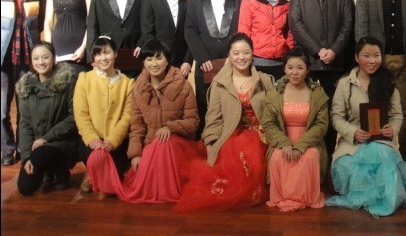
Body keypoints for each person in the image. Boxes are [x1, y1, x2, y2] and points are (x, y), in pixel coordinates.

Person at [87, 39, 200, 203]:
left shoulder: (184, 86)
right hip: (150, 145)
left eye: (159, 58)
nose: (154, 64)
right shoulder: (138, 88)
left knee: (164, 143)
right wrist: (136, 154)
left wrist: (170, 127)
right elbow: (137, 126)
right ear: (143, 62)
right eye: (149, 59)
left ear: (167, 60)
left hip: (178, 147)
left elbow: (193, 122)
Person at [175, 33, 274, 212]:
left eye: (246, 52)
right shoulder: (220, 83)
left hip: (261, 134)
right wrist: (211, 143)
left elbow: (274, 114)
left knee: (251, 156)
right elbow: (213, 118)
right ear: (229, 55)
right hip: (231, 132)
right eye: (236, 53)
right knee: (229, 156)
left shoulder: (265, 80)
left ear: (252, 53)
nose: (241, 57)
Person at [325, 37, 406, 217]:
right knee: (349, 164)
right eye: (366, 56)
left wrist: (392, 129)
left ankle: (381, 200)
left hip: (381, 140)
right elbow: (336, 117)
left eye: (376, 55)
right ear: (356, 57)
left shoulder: (388, 82)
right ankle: (365, 199)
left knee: (382, 157)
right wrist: (353, 132)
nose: (372, 61)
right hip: (353, 142)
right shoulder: (345, 84)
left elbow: (396, 115)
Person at [289, 0, 353, 156]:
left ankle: (329, 162)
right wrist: (318, 50)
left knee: (332, 113)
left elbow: (347, 24)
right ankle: (310, 159)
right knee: (308, 115)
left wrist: (333, 50)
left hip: (335, 65)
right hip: (309, 64)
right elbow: (296, 24)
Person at [355, 0, 406, 160]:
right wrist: (366, 61)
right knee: (378, 109)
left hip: (405, 61)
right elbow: (361, 28)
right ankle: (382, 154)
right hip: (377, 63)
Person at [184, 0, 246, 137]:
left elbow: (244, 31)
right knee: (205, 108)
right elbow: (189, 30)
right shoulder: (194, 1)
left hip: (234, 64)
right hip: (206, 65)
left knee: (235, 108)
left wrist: (233, 57)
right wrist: (202, 58)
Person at [261, 47, 329, 211]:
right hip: (283, 138)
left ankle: (306, 198)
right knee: (278, 157)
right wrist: (284, 143)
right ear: (284, 69)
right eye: (290, 67)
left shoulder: (317, 93)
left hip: (309, 140)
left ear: (308, 69)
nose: (295, 72)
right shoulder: (275, 93)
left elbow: (321, 125)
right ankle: (283, 197)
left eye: (300, 67)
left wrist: (301, 146)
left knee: (310, 157)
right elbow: (268, 123)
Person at [2, 0, 46, 166]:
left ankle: (23, 147)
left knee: (25, 108)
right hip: (3, 57)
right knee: (2, 110)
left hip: (28, 57)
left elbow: (40, 23)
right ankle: (7, 149)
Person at [15, 42, 79, 195]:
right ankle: (46, 169)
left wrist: (46, 138)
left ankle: (61, 168)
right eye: (36, 58)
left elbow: (74, 117)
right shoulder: (26, 86)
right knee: (25, 187)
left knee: (43, 155)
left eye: (45, 57)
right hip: (37, 146)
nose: (41, 62)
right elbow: (25, 125)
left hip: (62, 141)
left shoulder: (68, 80)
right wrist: (26, 158)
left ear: (54, 59)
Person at [73, 36, 134, 193]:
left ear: (115, 54)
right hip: (92, 140)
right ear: (94, 57)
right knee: (95, 158)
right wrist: (91, 138)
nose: (103, 58)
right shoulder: (84, 79)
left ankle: (102, 172)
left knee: (111, 188)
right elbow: (80, 113)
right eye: (98, 54)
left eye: (107, 52)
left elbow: (127, 117)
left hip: (116, 142)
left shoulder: (128, 83)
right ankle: (90, 172)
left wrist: (113, 140)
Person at [238, 0, 294, 80]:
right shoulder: (249, 2)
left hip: (281, 62)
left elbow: (290, 34)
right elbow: (244, 33)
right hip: (256, 62)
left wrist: (290, 56)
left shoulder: (285, 5)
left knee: (279, 92)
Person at [139, 0, 192, 77]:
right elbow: (147, 32)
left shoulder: (187, 2)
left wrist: (187, 61)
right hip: (157, 62)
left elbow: (191, 34)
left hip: (181, 64)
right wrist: (157, 58)